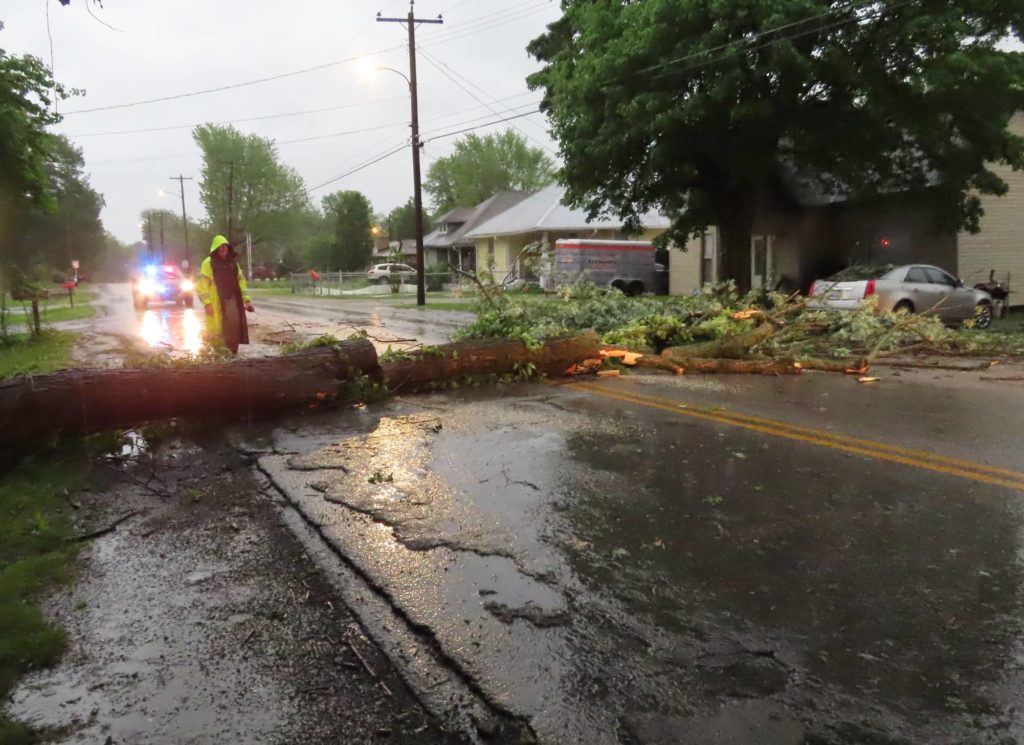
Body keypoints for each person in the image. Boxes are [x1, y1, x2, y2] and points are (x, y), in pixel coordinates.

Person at [196, 235, 254, 354]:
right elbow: (202, 285)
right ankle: (217, 352)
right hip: (215, 301)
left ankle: (232, 350)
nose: (223, 249)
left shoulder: (233, 264)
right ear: (215, 248)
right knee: (217, 328)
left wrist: (246, 300)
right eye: (220, 247)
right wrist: (207, 304)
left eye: (225, 247)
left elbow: (240, 281)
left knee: (233, 325)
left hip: (232, 299)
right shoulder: (208, 263)